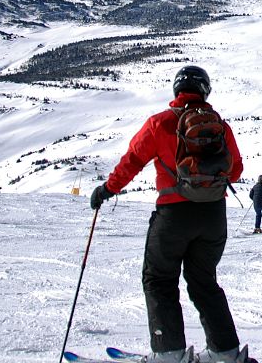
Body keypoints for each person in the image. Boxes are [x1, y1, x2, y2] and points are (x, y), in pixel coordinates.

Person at [89, 65, 249, 363]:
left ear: (176, 90)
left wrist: (108, 189)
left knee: (159, 279)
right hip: (213, 215)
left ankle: (169, 353)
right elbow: (236, 170)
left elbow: (133, 160)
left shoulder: (160, 123)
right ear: (206, 90)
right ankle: (225, 351)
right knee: (204, 281)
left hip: (173, 214)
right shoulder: (220, 126)